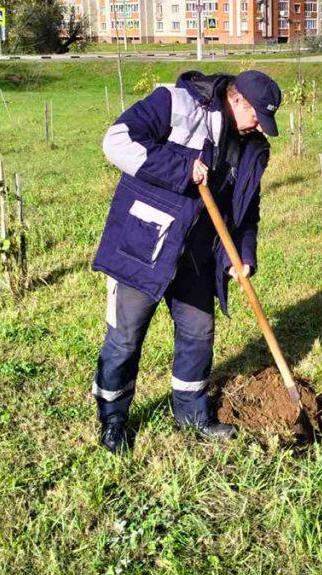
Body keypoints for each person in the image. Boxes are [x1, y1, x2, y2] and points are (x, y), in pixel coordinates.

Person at [91, 69, 282, 454]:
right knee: (125, 338)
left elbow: (247, 210)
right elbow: (116, 141)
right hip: (146, 244)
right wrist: (181, 168)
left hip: (199, 256)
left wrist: (242, 255)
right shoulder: (176, 103)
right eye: (257, 116)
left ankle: (191, 415)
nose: (259, 126)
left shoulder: (250, 146)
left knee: (198, 334)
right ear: (237, 99)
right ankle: (113, 418)